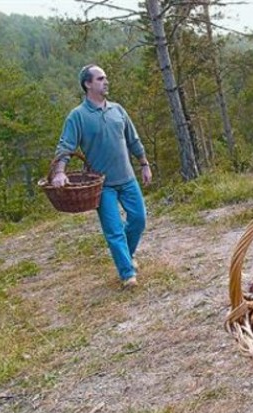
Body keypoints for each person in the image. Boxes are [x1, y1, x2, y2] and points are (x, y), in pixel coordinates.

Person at [51, 64, 152, 288]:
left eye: (105, 78)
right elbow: (65, 146)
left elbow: (133, 140)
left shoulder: (117, 110)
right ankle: (127, 273)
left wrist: (144, 164)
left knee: (139, 219)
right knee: (114, 230)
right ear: (87, 84)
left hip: (127, 178)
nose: (106, 82)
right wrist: (59, 172)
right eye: (100, 79)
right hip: (102, 185)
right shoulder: (77, 116)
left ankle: (126, 255)